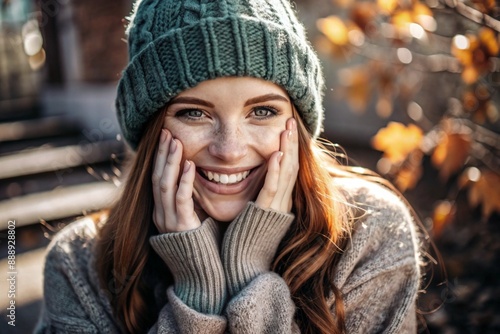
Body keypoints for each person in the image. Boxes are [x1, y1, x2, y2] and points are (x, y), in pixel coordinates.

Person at [36, 0, 423, 333]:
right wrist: (196, 294)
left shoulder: (371, 232)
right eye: (193, 113)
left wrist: (250, 274)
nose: (229, 150)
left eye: (262, 111)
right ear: (152, 128)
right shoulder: (78, 268)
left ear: (299, 124)